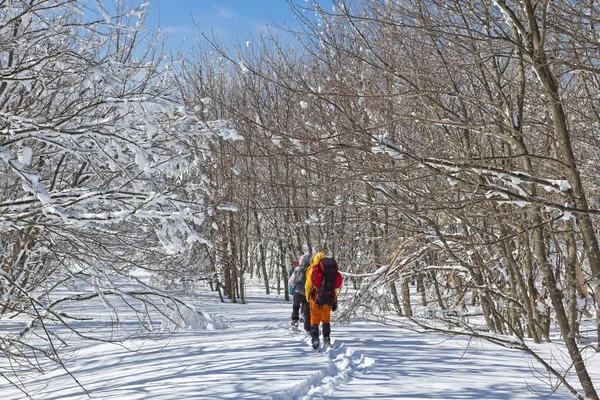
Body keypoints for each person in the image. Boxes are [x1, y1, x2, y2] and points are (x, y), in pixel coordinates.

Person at [305, 252, 343, 349]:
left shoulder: (313, 270)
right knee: (326, 320)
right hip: (328, 298)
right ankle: (326, 339)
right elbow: (335, 287)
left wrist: (307, 297)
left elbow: (308, 285)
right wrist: (334, 299)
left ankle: (315, 339)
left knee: (314, 320)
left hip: (315, 298)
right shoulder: (331, 271)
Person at [289, 254, 311, 332]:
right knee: (307, 310)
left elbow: (291, 281)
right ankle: (308, 327)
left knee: (295, 307)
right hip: (307, 293)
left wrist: (295, 287)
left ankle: (294, 323)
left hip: (297, 292)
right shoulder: (310, 269)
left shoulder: (297, 269)